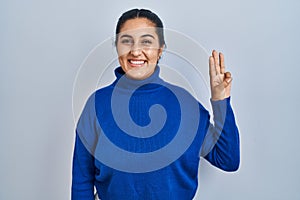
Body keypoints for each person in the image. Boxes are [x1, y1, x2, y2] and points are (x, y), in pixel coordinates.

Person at [71, 8, 240, 200]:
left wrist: (220, 100)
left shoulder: (186, 105)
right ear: (117, 47)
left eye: (146, 41)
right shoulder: (97, 104)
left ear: (160, 50)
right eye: (126, 41)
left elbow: (228, 159)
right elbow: (82, 180)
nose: (135, 51)